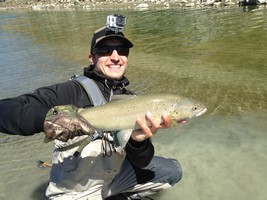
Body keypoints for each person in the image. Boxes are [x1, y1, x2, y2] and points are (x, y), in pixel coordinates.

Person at [0, 14, 182, 200]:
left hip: (113, 180)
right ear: (91, 58)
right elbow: (5, 110)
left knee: (171, 171)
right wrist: (51, 118)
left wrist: (138, 141)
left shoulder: (130, 100)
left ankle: (120, 194)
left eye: (122, 50)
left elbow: (142, 161)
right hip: (75, 191)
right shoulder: (69, 91)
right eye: (105, 50)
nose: (115, 57)